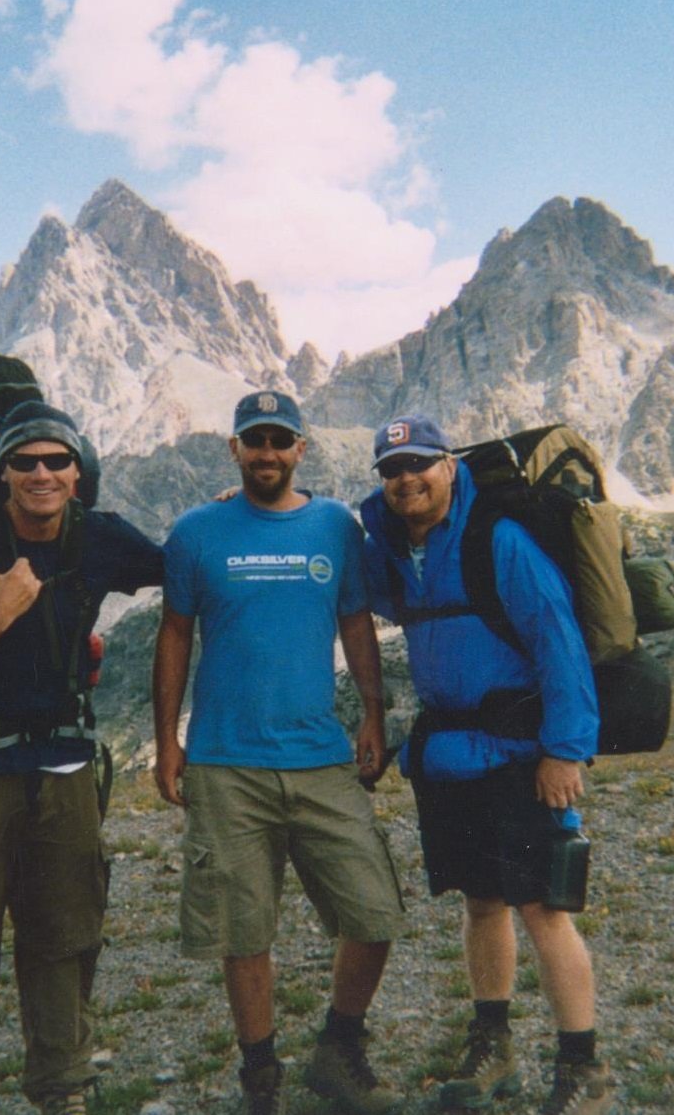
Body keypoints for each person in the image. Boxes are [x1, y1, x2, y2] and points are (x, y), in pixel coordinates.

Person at [0, 401, 163, 1115]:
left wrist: (232, 512)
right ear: (3, 472)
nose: (42, 473)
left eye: (56, 461)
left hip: (67, 763)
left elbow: (179, 568)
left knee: (66, 929)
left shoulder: (100, 539)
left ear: (78, 473)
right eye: (25, 461)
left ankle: (63, 1083)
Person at [152, 390, 405, 1115]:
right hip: (226, 760)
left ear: (302, 448)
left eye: (279, 440)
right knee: (242, 926)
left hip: (319, 754)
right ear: (232, 448)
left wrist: (373, 713)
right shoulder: (197, 529)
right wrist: (168, 738)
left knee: (373, 910)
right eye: (253, 440)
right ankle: (259, 1075)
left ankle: (339, 1044)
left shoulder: (334, 526)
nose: (266, 453)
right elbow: (175, 633)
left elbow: (355, 620)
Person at [360, 415, 616, 1115]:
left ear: (449, 466)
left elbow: (556, 637)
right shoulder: (398, 550)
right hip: (449, 757)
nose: (405, 478)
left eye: (419, 463)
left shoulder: (499, 539)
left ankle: (581, 1067)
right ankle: (492, 1043)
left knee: (543, 907)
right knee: (481, 901)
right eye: (390, 469)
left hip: (519, 754)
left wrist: (565, 748)